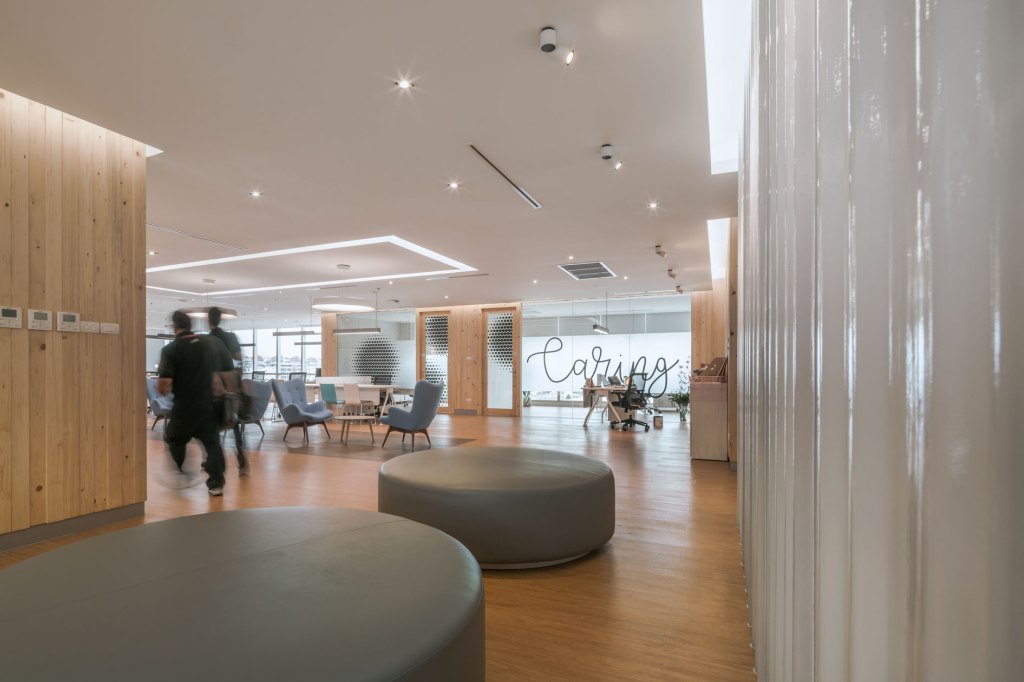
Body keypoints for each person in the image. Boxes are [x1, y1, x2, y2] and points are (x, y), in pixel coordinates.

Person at [157, 310, 235, 495]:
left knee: (174, 439)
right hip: (208, 405)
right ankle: (216, 484)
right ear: (190, 325)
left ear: (174, 326)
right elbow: (223, 372)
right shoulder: (207, 345)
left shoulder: (171, 350)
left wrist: (163, 385)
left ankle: (181, 473)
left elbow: (164, 386)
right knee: (212, 444)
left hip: (184, 406)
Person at [207, 306, 249, 474]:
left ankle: (214, 460)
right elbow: (239, 360)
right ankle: (241, 456)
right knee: (234, 422)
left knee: (213, 424)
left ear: (209, 320)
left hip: (214, 387)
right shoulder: (231, 337)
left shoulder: (207, 340)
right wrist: (237, 380)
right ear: (220, 319)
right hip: (231, 386)